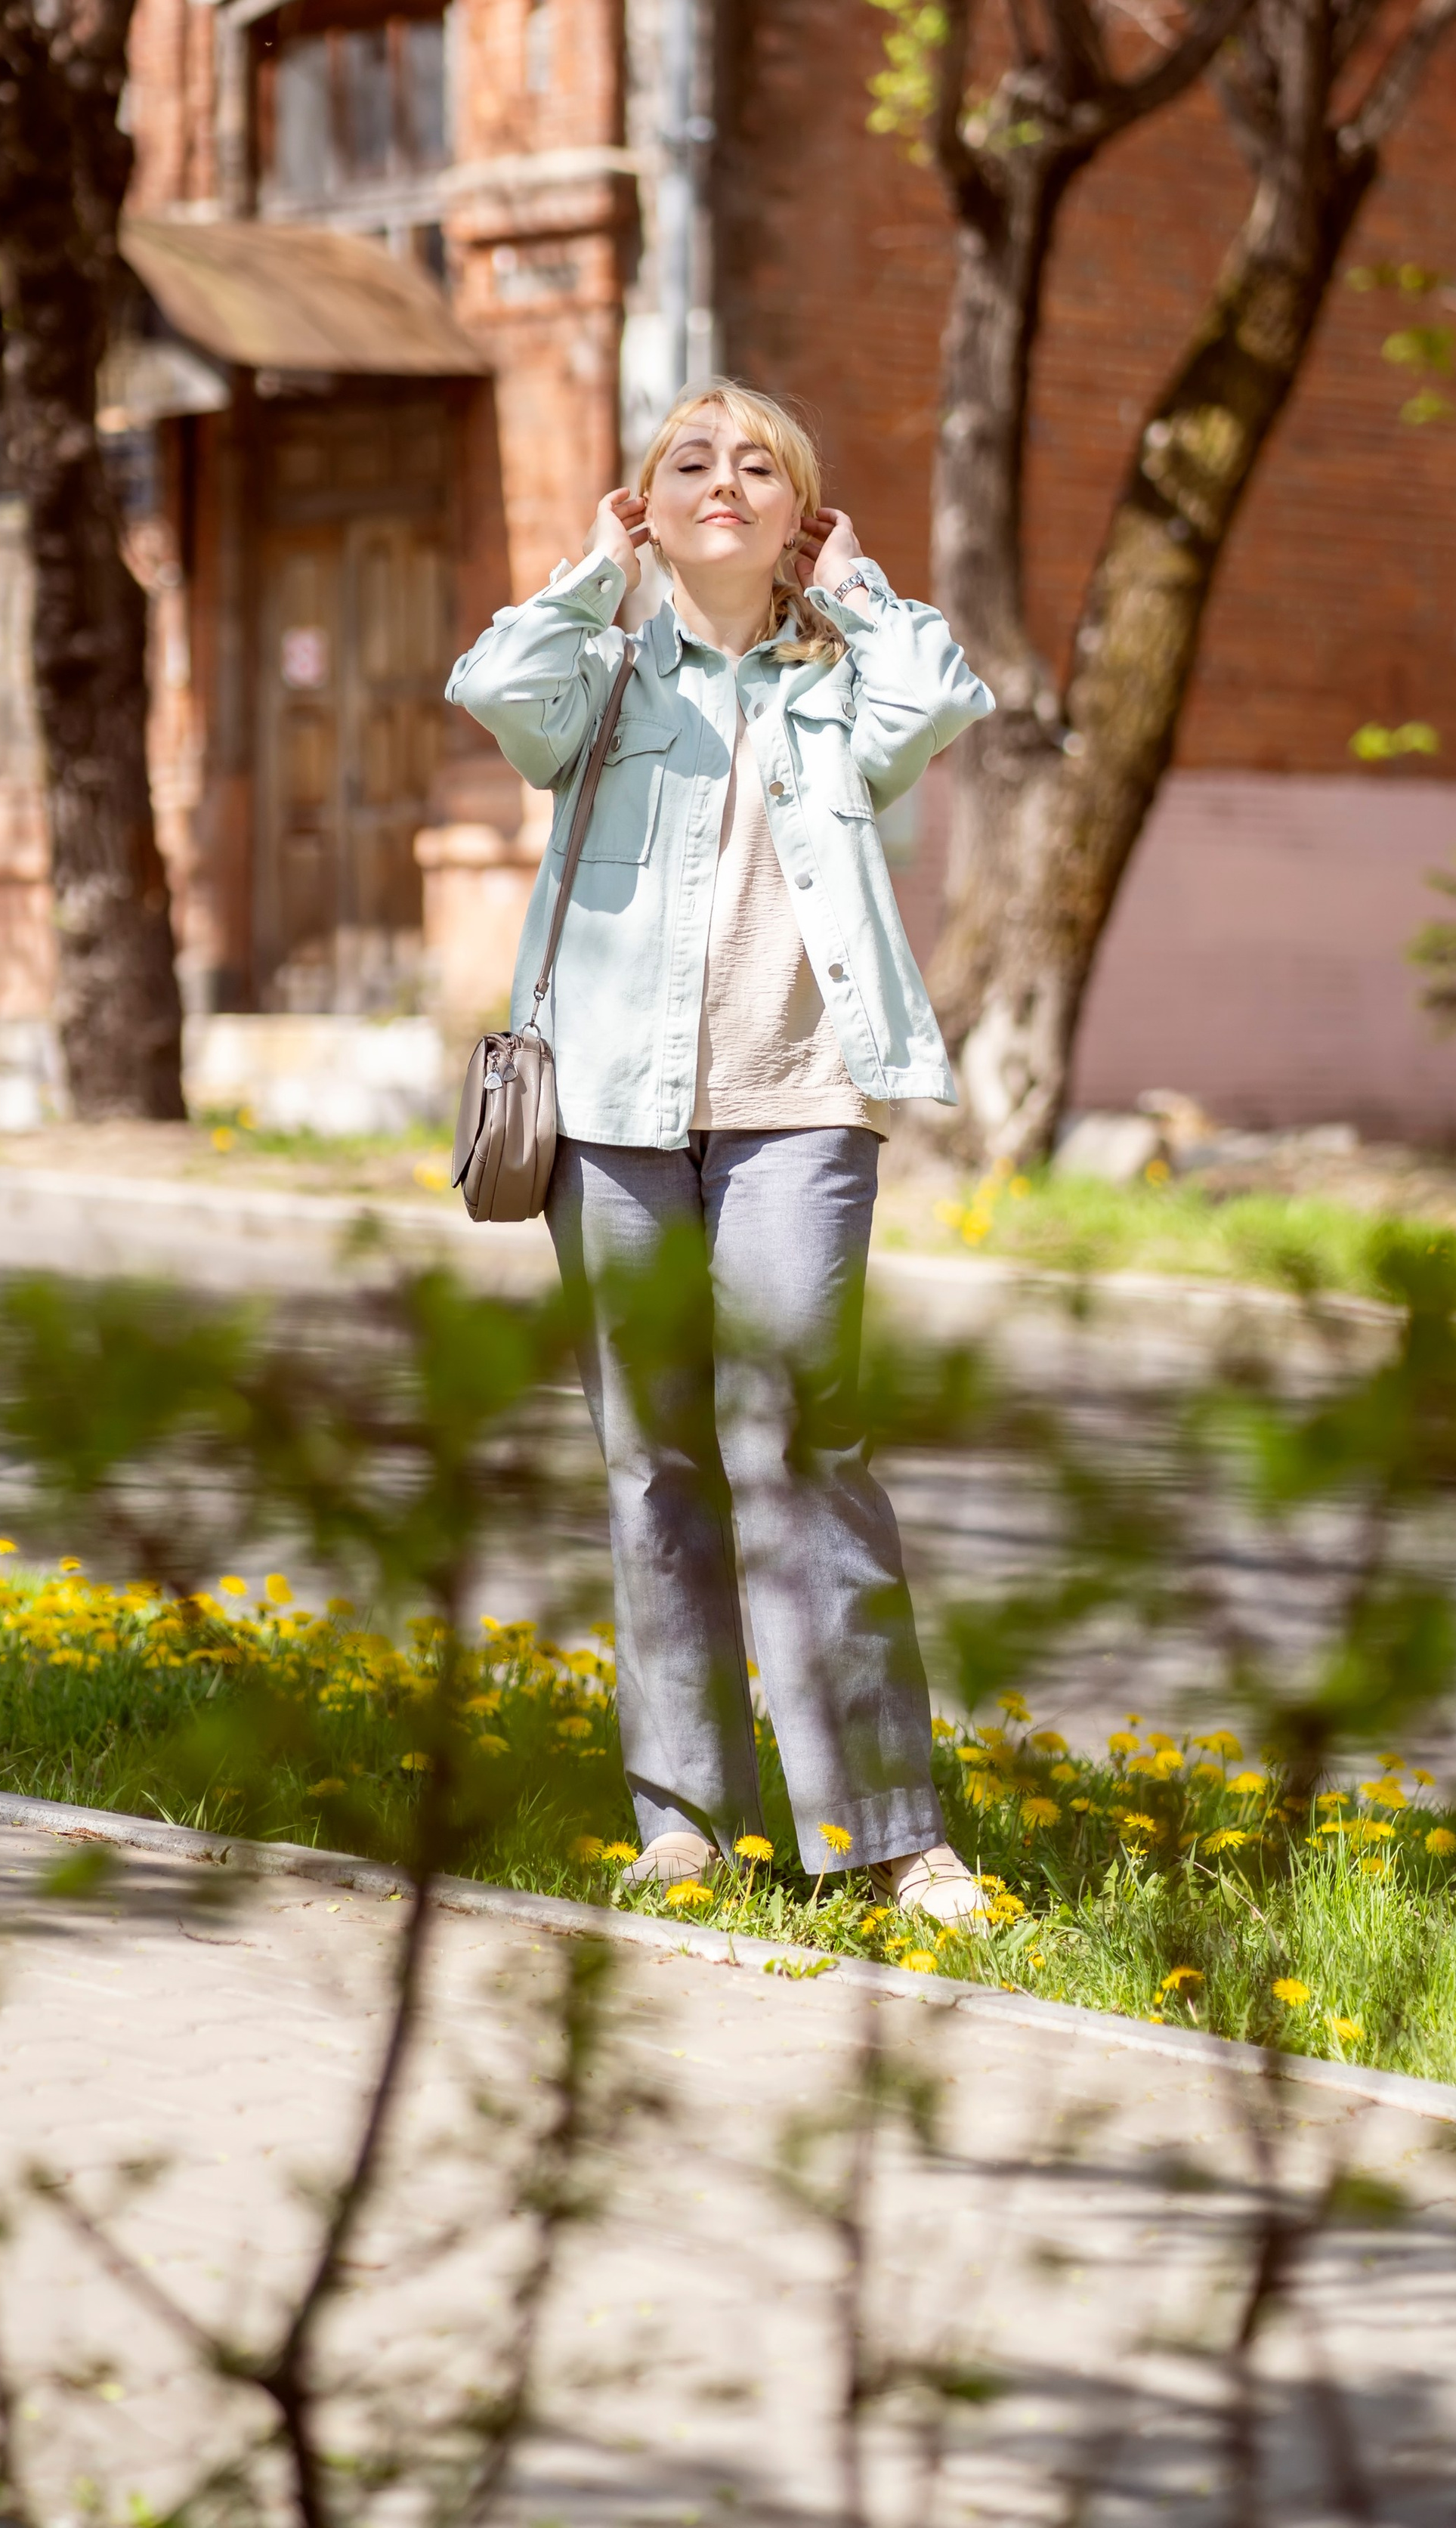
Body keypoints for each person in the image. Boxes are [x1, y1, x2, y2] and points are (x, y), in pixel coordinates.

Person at [446, 382, 994, 1923]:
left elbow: (940, 692)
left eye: (759, 464)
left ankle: (887, 1837)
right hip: (610, 1120)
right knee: (654, 1464)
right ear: (647, 502)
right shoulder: (602, 677)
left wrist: (855, 582)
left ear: (795, 510)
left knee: (802, 1447)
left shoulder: (836, 687)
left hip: (802, 1102)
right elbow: (491, 679)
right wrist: (590, 570)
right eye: (689, 461)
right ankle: (686, 1820)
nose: (724, 480)